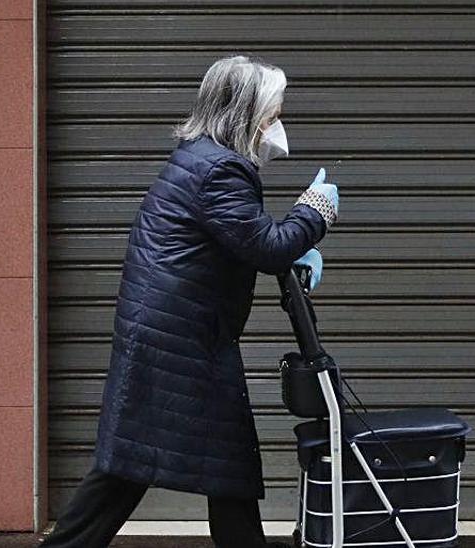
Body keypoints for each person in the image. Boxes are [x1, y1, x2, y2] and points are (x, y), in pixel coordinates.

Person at [39, 55, 339, 548]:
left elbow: (241, 240)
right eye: (271, 115)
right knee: (133, 470)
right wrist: (315, 212)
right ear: (243, 115)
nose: (276, 126)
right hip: (181, 342)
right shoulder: (220, 170)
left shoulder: (202, 159)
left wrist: (297, 244)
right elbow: (265, 247)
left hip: (175, 335)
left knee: (217, 465)